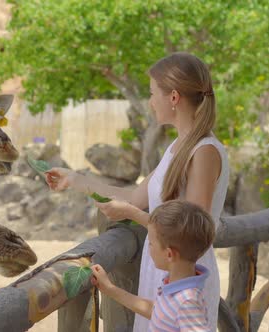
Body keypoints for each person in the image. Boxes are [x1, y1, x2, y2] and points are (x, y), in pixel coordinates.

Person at [45, 52, 229, 331]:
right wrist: (75, 180)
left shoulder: (204, 152)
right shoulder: (177, 147)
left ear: (174, 97)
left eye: (153, 93)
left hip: (183, 276)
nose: (150, 101)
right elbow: (133, 196)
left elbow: (193, 229)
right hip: (163, 272)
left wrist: (132, 214)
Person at [91, 200, 215, 331]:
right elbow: (158, 311)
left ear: (169, 254)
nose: (149, 247)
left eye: (150, 243)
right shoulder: (176, 287)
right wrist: (110, 289)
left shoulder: (187, 302)